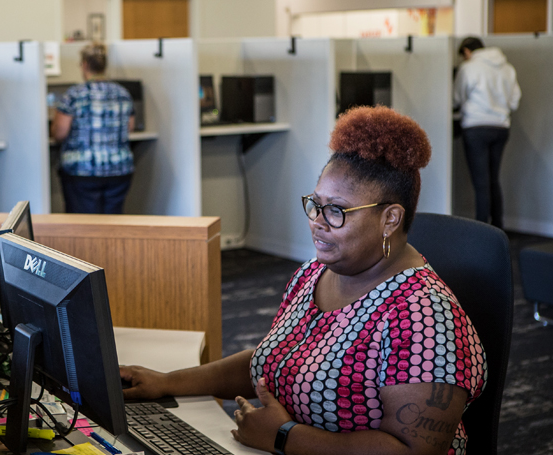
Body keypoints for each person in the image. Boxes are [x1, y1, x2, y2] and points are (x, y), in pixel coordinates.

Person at [121, 106, 487, 455]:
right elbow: (276, 359)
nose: (317, 221)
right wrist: (167, 382)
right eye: (315, 204)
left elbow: (416, 450)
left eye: (337, 211)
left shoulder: (424, 318)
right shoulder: (315, 272)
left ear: (390, 219)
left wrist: (284, 438)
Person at [51, 42, 136, 214]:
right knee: (112, 224)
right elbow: (130, 128)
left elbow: (60, 132)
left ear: (84, 65)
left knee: (84, 227)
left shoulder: (74, 94)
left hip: (82, 171)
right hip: (119, 170)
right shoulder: (122, 93)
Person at [453, 36, 520, 229]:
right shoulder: (507, 68)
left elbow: (456, 98)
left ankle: (482, 230)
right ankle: (498, 227)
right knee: (493, 180)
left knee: (480, 182)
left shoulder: (469, 67)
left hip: (475, 127)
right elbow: (514, 101)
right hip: (501, 127)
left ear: (467, 51)